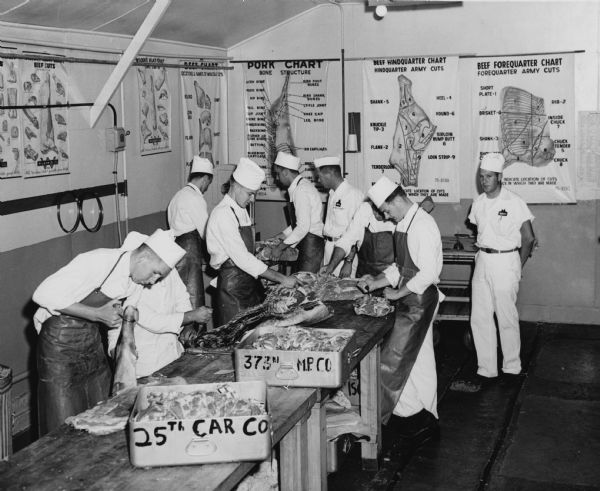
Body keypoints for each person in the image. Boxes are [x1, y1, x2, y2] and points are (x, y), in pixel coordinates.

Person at [33, 229, 185, 435]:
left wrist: (122, 352)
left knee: (102, 412)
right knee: (61, 425)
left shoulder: (136, 283)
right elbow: (42, 293)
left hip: (89, 341)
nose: (153, 281)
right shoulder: (98, 261)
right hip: (59, 344)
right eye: (155, 272)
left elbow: (121, 322)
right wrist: (96, 314)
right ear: (144, 257)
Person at [359, 175, 443, 445]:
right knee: (419, 362)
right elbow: (401, 267)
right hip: (412, 300)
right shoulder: (405, 222)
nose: (386, 215)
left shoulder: (422, 226)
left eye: (386, 210)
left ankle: (419, 418)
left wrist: (397, 292)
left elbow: (428, 273)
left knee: (391, 362)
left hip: (419, 302)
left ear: (397, 199)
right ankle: (427, 415)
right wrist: (377, 281)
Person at [454, 152, 536, 392]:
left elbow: (529, 239)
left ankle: (512, 368)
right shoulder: (478, 203)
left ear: (500, 177)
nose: (484, 181)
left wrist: (516, 267)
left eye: (489, 176)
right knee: (479, 317)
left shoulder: (514, 202)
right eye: (482, 176)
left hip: (506, 260)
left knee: (506, 317)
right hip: (483, 261)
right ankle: (486, 369)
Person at [206, 157, 298, 326]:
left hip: (248, 282)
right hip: (232, 288)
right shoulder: (222, 214)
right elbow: (242, 258)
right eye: (250, 193)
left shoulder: (240, 210)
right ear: (236, 185)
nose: (252, 199)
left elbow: (248, 251)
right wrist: (281, 278)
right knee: (236, 338)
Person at [107, 232, 213, 378]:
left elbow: (182, 296)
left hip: (172, 353)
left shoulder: (167, 270)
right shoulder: (130, 282)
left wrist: (188, 326)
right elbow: (152, 320)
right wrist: (191, 316)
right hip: (145, 362)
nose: (154, 279)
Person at [167, 155, 213, 309]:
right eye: (208, 184)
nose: (207, 188)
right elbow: (207, 234)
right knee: (192, 299)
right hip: (189, 255)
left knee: (180, 300)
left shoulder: (177, 196)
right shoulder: (195, 198)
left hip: (176, 254)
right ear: (205, 179)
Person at [269, 151, 325, 273]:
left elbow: (303, 227)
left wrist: (280, 248)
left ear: (285, 172)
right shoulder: (301, 187)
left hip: (311, 245)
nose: (277, 178)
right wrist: (283, 234)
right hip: (307, 242)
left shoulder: (301, 190)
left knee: (305, 285)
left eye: (278, 174)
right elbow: (302, 221)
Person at [315, 155, 364, 277]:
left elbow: (357, 232)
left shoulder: (353, 195)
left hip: (344, 256)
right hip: (329, 249)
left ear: (329, 174)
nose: (318, 181)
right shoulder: (332, 194)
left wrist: (348, 262)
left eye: (319, 177)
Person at [320, 200, 395, 278]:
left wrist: (379, 281)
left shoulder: (398, 215)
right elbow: (347, 239)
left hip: (389, 276)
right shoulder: (365, 208)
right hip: (364, 273)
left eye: (381, 211)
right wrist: (331, 266)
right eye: (374, 210)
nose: (377, 214)